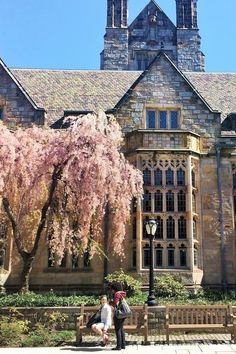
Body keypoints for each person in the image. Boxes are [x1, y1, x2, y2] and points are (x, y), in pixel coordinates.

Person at [110, 282, 127, 351]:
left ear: (115, 288)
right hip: (123, 313)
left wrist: (111, 302)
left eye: (112, 289)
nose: (112, 290)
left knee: (118, 329)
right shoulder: (123, 293)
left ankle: (118, 346)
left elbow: (115, 303)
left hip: (118, 313)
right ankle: (123, 345)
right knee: (121, 329)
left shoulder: (117, 294)